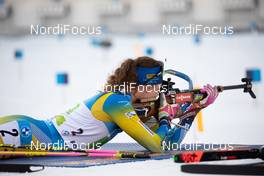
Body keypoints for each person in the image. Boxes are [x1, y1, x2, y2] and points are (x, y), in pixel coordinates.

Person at [0, 56, 218, 152]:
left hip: (36, 139)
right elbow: (156, 145)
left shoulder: (132, 107)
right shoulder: (117, 102)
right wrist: (163, 117)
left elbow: (167, 146)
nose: (159, 90)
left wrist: (192, 111)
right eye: (155, 85)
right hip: (28, 133)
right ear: (138, 85)